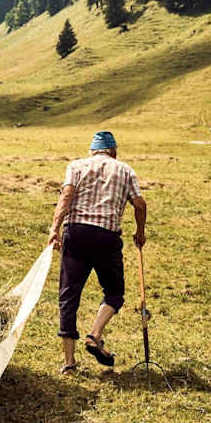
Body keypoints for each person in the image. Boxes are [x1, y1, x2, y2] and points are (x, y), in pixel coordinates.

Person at [47, 131, 146, 374]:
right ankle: (95, 333)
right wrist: (140, 231)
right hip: (106, 236)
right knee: (114, 292)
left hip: (76, 233)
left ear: (93, 150)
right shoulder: (125, 170)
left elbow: (66, 196)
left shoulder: (76, 166)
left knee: (69, 295)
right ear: (113, 151)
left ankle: (69, 363)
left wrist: (54, 228)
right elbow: (140, 204)